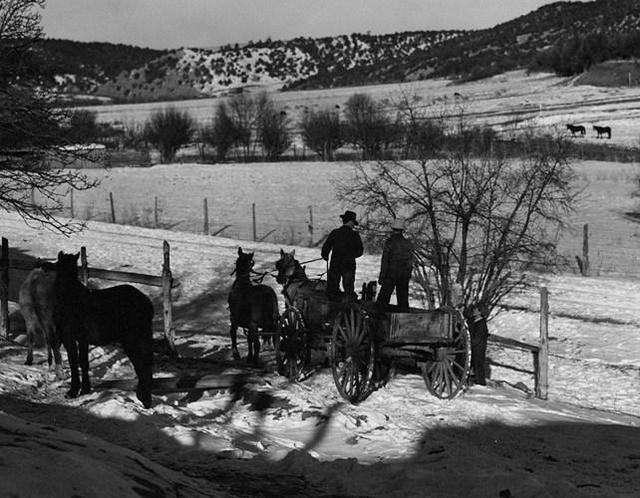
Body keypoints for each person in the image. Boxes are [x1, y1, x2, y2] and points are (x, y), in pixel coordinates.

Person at [321, 210, 363, 301]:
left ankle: (332, 306)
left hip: (335, 264)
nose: (354, 225)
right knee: (349, 289)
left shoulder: (335, 232)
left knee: (332, 288)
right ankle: (348, 309)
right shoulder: (355, 235)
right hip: (349, 265)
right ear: (350, 221)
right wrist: (351, 255)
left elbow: (326, 247)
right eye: (353, 223)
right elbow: (360, 251)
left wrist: (325, 255)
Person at [376, 218, 414, 311]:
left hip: (390, 274)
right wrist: (407, 276)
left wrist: (381, 277)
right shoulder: (408, 243)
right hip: (403, 276)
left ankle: (378, 321)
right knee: (403, 302)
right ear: (402, 230)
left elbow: (385, 261)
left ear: (393, 229)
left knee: (382, 301)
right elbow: (410, 263)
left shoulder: (389, 242)